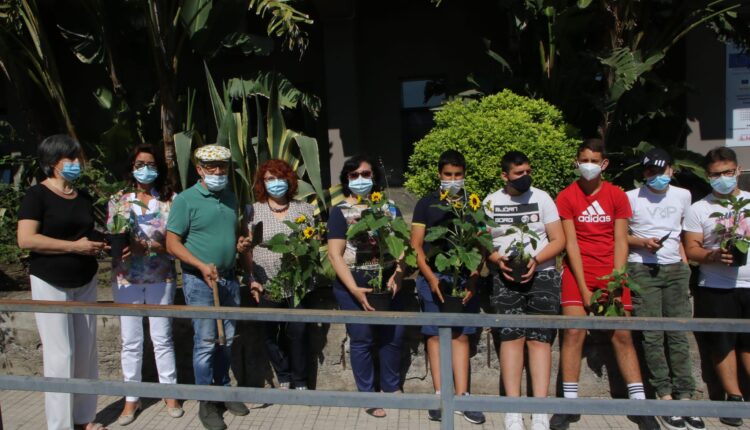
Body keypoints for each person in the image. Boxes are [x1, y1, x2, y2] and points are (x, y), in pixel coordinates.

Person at [551, 138, 658, 430]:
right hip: (577, 273)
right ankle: (568, 403)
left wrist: (616, 279)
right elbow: (570, 243)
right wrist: (585, 288)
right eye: (583, 159)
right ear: (576, 161)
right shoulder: (567, 196)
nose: (588, 165)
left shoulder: (616, 195)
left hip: (612, 273)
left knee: (622, 335)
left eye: (594, 160)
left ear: (604, 164)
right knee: (572, 332)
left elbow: (621, 240)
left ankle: (640, 404)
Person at [16, 134, 108, 430]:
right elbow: (26, 239)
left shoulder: (82, 196)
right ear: (53, 163)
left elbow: (85, 234)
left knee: (85, 352)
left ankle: (83, 419)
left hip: (84, 279)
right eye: (70, 158)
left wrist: (102, 244)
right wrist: (73, 247)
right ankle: (60, 425)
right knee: (61, 355)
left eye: (77, 158)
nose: (77, 164)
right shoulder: (36, 196)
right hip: (50, 280)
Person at [166, 144, 250, 430]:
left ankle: (224, 389)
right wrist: (201, 266)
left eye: (222, 166)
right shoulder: (186, 200)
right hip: (200, 281)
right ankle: (206, 401)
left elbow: (231, 234)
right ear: (199, 169)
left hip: (228, 278)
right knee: (205, 342)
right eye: (210, 167)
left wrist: (239, 245)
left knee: (226, 338)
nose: (217, 171)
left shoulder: (230, 197)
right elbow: (172, 242)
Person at [484, 151, 566, 430]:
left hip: (542, 275)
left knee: (540, 339)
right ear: (504, 176)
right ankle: (513, 410)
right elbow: (483, 241)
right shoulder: (491, 202)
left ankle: (540, 411)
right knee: (511, 338)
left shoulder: (542, 198)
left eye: (528, 171)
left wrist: (536, 260)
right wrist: (496, 259)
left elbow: (558, 240)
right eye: (519, 173)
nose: (525, 177)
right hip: (505, 277)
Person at [626, 148, 705, 430]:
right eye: (649, 171)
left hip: (675, 269)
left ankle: (686, 399)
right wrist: (642, 243)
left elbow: (684, 232)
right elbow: (620, 235)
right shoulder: (630, 197)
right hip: (641, 267)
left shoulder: (683, 195)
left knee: (679, 333)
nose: (655, 176)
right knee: (652, 335)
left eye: (661, 170)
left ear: (672, 170)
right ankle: (666, 397)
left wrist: (683, 265)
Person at [107, 144, 183, 425]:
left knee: (162, 337)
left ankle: (170, 392)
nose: (145, 169)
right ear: (131, 167)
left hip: (160, 275)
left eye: (150, 164)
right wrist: (121, 247)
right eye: (140, 164)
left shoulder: (171, 200)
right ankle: (132, 398)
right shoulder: (118, 200)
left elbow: (177, 239)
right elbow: (112, 237)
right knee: (131, 340)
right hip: (126, 278)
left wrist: (150, 246)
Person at [327, 154, 406, 418]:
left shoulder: (388, 208)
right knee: (362, 338)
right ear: (346, 179)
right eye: (354, 175)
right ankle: (368, 394)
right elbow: (335, 254)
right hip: (353, 285)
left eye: (366, 174)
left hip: (386, 283)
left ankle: (392, 388)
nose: (360, 180)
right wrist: (354, 289)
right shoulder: (339, 211)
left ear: (375, 177)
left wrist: (398, 276)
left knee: (392, 336)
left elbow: (401, 247)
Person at [410, 149, 485, 425]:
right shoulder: (426, 203)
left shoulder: (472, 203)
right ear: (439, 175)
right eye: (448, 175)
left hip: (463, 278)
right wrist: (430, 277)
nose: (453, 180)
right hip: (434, 275)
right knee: (434, 334)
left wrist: (475, 279)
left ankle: (463, 396)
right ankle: (440, 395)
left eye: (458, 175)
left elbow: (481, 245)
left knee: (461, 335)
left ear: (464, 175)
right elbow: (416, 245)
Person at [683, 146, 750, 427]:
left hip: (748, 284)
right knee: (722, 344)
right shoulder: (699, 208)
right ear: (708, 177)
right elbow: (691, 249)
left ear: (737, 171)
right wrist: (712, 255)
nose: (723, 178)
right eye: (715, 175)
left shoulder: (748, 202)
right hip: (715, 285)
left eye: (727, 172)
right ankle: (733, 398)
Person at [242, 159, 315, 390]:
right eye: (269, 179)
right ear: (262, 183)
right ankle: (283, 374)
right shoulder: (253, 210)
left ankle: (300, 378)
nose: (275, 183)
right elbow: (247, 249)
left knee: (298, 332)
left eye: (280, 178)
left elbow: (313, 245)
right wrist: (251, 278)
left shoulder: (304, 209)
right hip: (266, 285)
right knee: (269, 333)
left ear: (289, 180)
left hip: (297, 284)